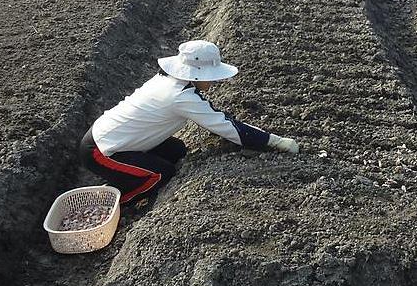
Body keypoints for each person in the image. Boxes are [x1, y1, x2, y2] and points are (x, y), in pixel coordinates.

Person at [80, 40, 299, 205]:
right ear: (197, 74)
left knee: (177, 150)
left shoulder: (167, 79)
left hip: (109, 134)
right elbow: (227, 126)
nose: (213, 81)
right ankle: (117, 202)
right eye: (210, 76)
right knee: (161, 175)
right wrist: (275, 142)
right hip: (100, 151)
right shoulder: (182, 97)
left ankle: (126, 179)